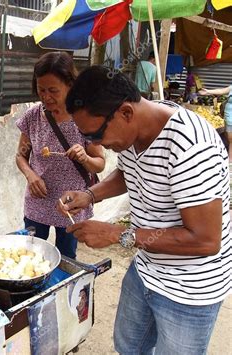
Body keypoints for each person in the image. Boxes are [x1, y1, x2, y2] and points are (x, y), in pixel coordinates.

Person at [58, 66, 230, 354]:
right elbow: (129, 173)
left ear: (126, 112)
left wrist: (116, 234)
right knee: (129, 346)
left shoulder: (190, 147)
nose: (98, 145)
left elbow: (205, 240)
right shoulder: (133, 130)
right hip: (147, 269)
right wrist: (89, 195)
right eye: (88, 138)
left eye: (98, 134)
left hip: (189, 289)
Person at [15, 52, 105, 259]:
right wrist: (31, 175)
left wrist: (84, 157)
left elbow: (99, 164)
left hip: (71, 205)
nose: (46, 97)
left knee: (66, 258)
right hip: (38, 200)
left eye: (53, 90)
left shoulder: (84, 116)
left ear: (70, 86)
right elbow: (20, 156)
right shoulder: (33, 117)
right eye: (41, 90)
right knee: (31, 256)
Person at [199, 85, 232, 159]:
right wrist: (208, 91)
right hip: (228, 117)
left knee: (231, 141)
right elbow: (221, 91)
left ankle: (230, 161)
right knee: (228, 138)